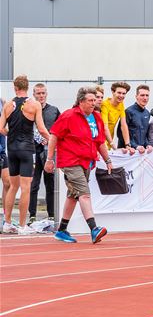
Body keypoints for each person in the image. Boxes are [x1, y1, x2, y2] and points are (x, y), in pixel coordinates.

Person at [44, 86, 112, 244]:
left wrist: (108, 160)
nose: (93, 103)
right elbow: (54, 135)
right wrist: (49, 158)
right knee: (84, 193)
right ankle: (94, 229)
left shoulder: (96, 117)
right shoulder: (69, 115)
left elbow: (100, 141)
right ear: (81, 101)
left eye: (95, 100)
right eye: (90, 100)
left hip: (87, 162)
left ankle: (61, 230)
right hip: (70, 161)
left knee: (73, 196)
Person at [0, 75, 51, 234]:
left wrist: (11, 134)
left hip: (12, 149)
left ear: (15, 88)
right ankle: (22, 226)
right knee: (26, 188)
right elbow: (41, 129)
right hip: (27, 149)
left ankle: (7, 224)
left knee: (12, 187)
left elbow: (1, 128)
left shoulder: (8, 104)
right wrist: (52, 140)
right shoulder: (34, 104)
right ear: (27, 88)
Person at [28, 83, 60, 222]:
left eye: (43, 93)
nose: (41, 96)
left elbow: (60, 129)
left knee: (50, 184)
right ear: (34, 94)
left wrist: (52, 141)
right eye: (38, 93)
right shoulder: (28, 109)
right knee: (33, 185)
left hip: (49, 153)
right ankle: (32, 215)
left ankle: (52, 215)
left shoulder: (54, 110)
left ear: (46, 94)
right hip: (33, 152)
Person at [101, 82, 135, 154]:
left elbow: (124, 125)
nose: (121, 96)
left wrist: (127, 144)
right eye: (119, 93)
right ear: (113, 92)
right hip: (101, 141)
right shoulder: (105, 105)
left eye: (124, 93)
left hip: (109, 141)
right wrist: (113, 145)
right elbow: (105, 127)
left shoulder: (121, 104)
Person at [125, 85, 153, 154]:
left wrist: (148, 145)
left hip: (142, 152)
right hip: (129, 151)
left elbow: (145, 134)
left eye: (147, 95)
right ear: (136, 96)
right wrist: (135, 146)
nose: (145, 98)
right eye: (142, 95)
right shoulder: (128, 111)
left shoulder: (147, 113)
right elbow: (121, 133)